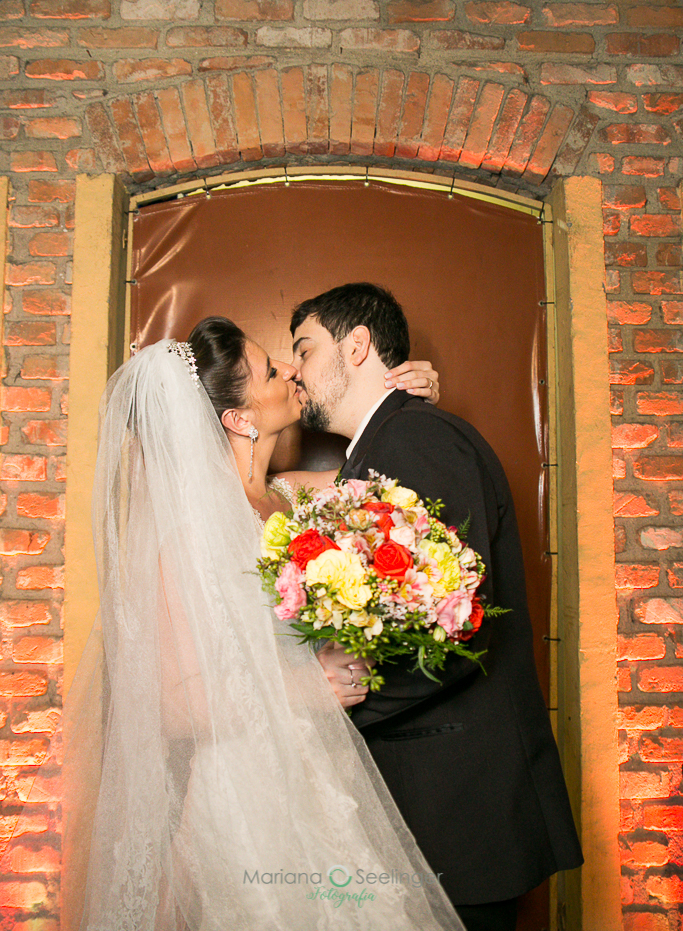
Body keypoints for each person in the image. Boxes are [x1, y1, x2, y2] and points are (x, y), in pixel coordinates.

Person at [62, 316, 467, 931]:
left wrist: (408, 403)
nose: (291, 373)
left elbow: (385, 475)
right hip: (244, 793)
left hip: (316, 772)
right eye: (273, 371)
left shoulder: (288, 497)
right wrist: (311, 686)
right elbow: (175, 705)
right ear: (240, 418)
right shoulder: (188, 534)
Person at [289, 283, 584, 931]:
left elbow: (455, 628)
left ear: (356, 346)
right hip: (434, 802)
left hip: (457, 802)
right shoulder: (379, 450)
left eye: (304, 350)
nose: (295, 371)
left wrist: (331, 718)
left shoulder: (415, 441)